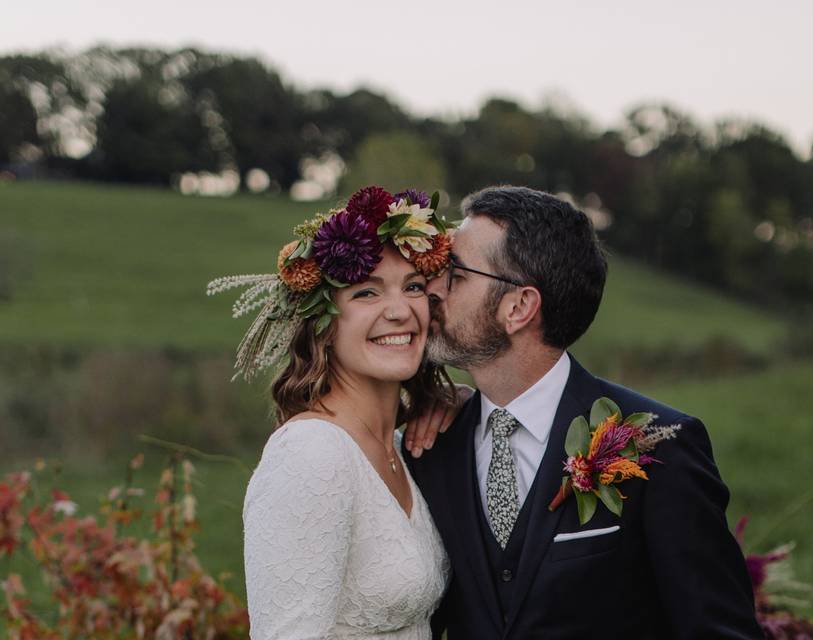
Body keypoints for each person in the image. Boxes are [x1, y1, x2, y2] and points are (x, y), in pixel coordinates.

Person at [403, 186, 765, 639]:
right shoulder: (432, 446)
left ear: (518, 307)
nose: (431, 289)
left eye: (454, 273)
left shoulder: (661, 447)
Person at [210, 186, 459, 639]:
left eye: (414, 287)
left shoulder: (399, 450)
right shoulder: (312, 454)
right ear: (323, 323)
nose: (400, 311)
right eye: (367, 292)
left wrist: (462, 401)